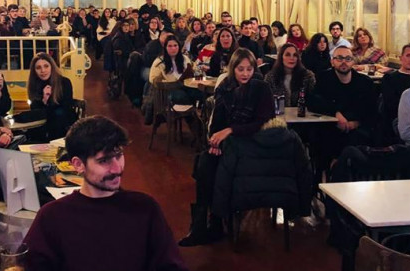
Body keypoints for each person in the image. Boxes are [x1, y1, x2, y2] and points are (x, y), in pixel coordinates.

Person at [24, 116, 188, 270]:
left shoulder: (145, 209)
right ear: (78, 164)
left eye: (119, 156)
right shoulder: (52, 217)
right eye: (104, 160)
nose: (117, 168)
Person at [179, 48, 275, 246]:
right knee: (206, 161)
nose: (245, 73)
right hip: (228, 140)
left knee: (218, 165)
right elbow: (218, 119)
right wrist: (215, 141)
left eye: (249, 69)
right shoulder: (225, 86)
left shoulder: (261, 88)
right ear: (233, 69)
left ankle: (214, 222)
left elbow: (261, 122)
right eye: (241, 69)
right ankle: (202, 225)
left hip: (253, 142)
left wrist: (230, 131)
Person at [308, 46, 376, 167]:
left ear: (353, 62)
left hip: (357, 128)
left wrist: (354, 123)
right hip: (330, 126)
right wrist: (335, 114)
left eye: (348, 58)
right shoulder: (323, 78)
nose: (344, 62)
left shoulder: (365, 82)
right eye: (339, 58)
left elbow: (371, 110)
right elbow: (313, 101)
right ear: (332, 61)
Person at [379, 43, 410, 145]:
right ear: (401, 58)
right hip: (393, 122)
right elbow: (390, 105)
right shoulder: (389, 78)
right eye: (408, 55)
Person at [27, 52, 77, 141]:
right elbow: (34, 111)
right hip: (45, 124)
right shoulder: (34, 85)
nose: (43, 71)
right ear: (34, 71)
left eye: (46, 66)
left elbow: (66, 107)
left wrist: (47, 107)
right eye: (38, 68)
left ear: (52, 67)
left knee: (58, 115)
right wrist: (44, 100)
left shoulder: (64, 82)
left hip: (64, 124)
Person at [149, 34, 201, 105]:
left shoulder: (184, 58)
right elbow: (152, 79)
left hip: (186, 85)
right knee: (182, 96)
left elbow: (194, 69)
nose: (173, 48)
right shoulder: (159, 61)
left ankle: (194, 112)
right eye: (170, 46)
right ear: (165, 48)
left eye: (175, 45)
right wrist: (163, 82)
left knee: (200, 93)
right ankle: (190, 113)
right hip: (169, 89)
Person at [264, 43, 316, 107]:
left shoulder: (308, 76)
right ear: (281, 57)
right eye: (288, 55)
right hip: (279, 115)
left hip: (301, 114)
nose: (292, 58)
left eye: (295, 55)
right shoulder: (271, 77)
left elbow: (313, 100)